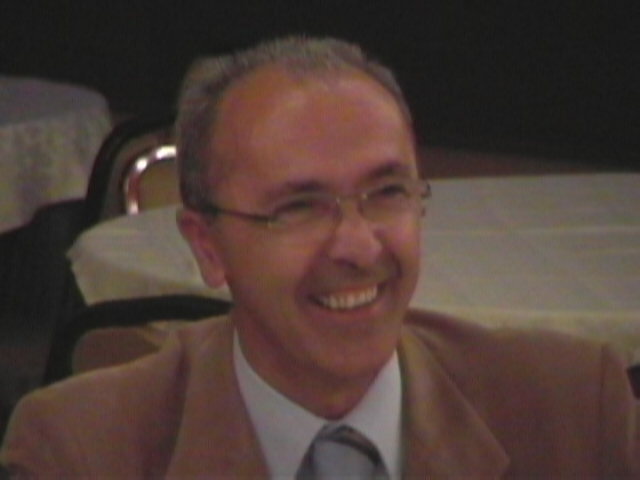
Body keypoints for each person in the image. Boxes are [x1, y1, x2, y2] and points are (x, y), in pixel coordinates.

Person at [1, 36, 638, 478]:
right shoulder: (81, 451)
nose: (358, 247)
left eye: (387, 192)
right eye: (299, 207)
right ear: (208, 247)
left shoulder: (577, 408)